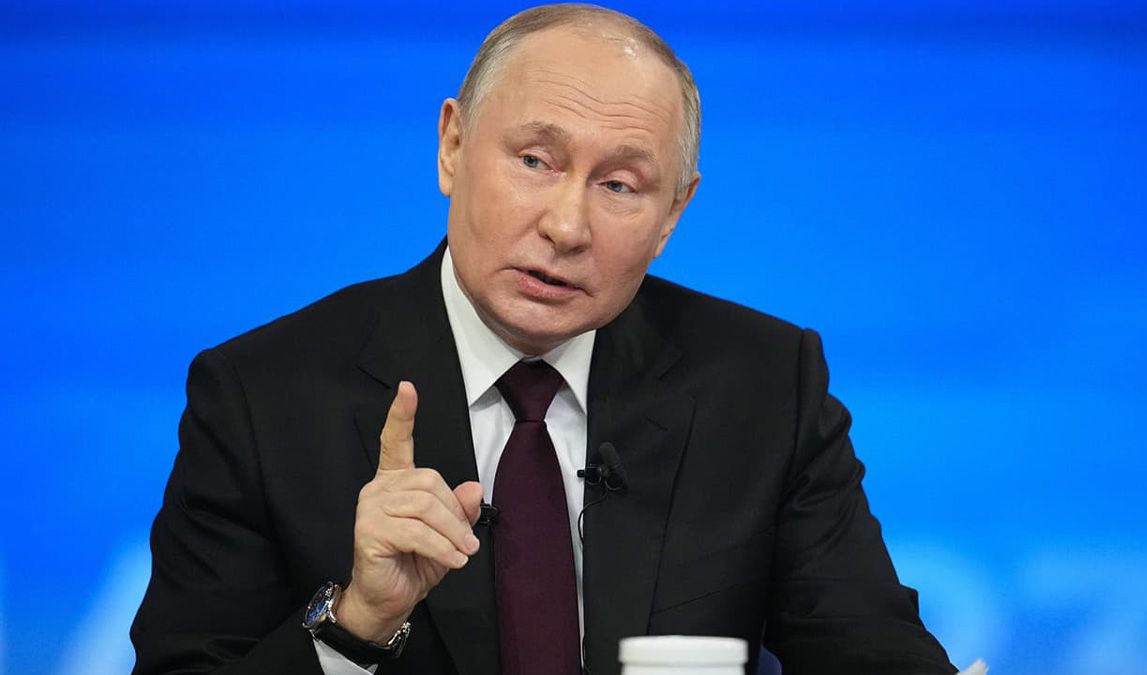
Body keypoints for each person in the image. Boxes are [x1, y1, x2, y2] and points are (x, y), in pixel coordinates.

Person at [131, 4, 957, 675]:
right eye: (534, 160)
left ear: (673, 214)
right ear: (452, 145)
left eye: (621, 185)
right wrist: (357, 622)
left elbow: (867, 645)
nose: (566, 226)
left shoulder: (764, 383)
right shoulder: (262, 395)